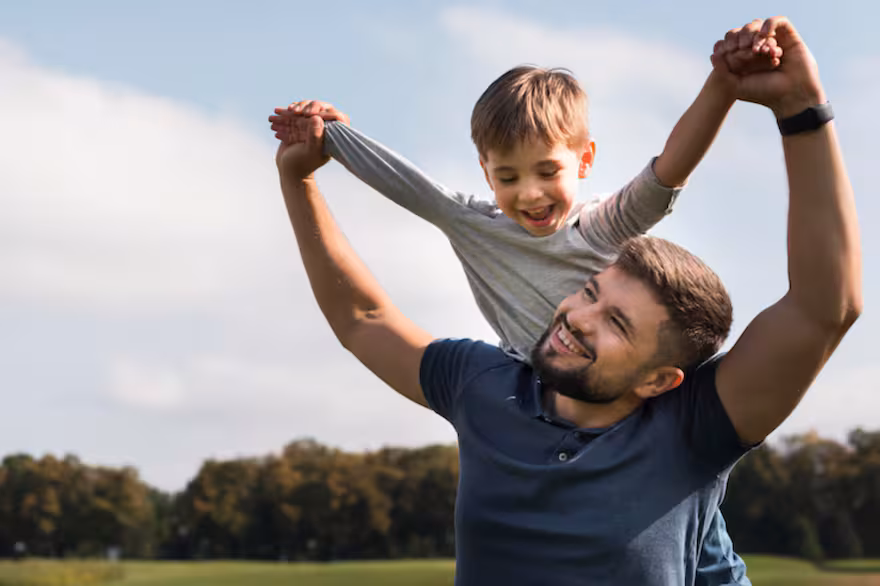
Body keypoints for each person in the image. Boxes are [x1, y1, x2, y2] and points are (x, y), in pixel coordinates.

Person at [274, 16, 861, 586]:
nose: (577, 319)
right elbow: (363, 317)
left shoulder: (693, 430)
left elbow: (822, 308)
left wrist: (801, 111)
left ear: (661, 379)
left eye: (617, 324)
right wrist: (299, 180)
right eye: (589, 291)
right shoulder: (484, 386)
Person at [269, 26, 780, 363]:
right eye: (508, 177)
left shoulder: (600, 226)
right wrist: (329, 133)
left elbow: (669, 169)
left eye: (547, 171)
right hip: (533, 394)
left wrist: (724, 84)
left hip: (629, 397)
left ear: (584, 160)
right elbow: (405, 183)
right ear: (486, 174)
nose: (530, 193)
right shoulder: (473, 225)